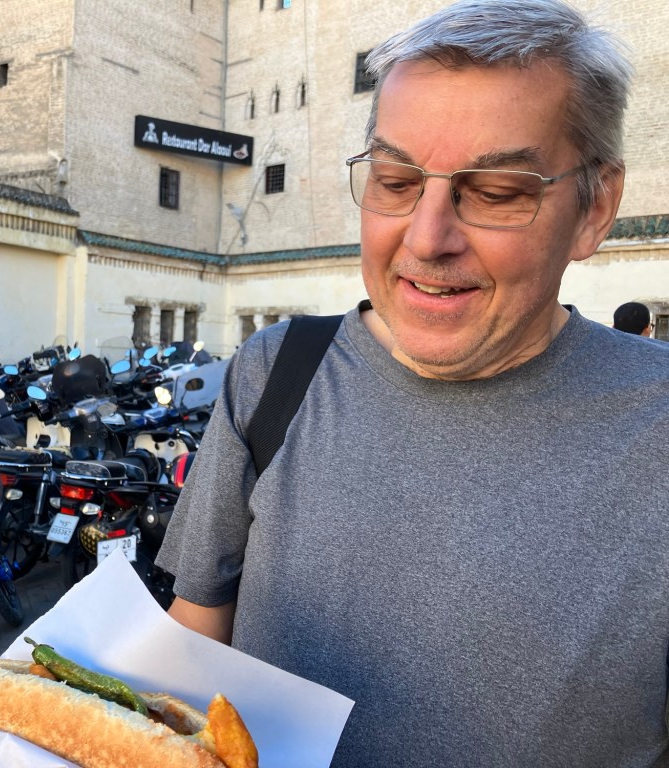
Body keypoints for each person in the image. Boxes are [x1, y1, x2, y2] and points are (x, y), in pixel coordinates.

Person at [155, 1, 669, 765]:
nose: (427, 239)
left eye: (496, 191)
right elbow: (192, 649)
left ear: (595, 207)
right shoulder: (273, 375)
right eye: (396, 181)